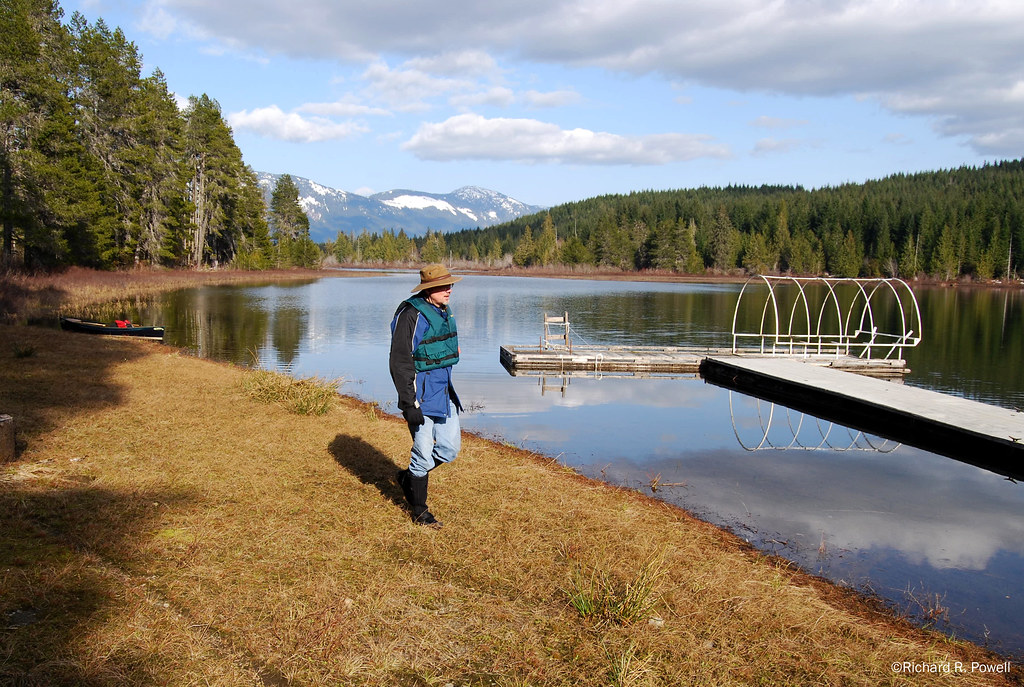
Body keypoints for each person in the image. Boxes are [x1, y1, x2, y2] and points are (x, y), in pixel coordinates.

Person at [389, 264, 463, 528]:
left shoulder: (442, 310)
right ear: (427, 289)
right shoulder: (411, 315)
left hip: (442, 391)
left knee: (449, 449)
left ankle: (408, 478)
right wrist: (409, 404)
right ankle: (420, 512)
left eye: (450, 284)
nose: (449, 289)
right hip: (419, 395)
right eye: (443, 286)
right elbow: (400, 361)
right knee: (422, 453)